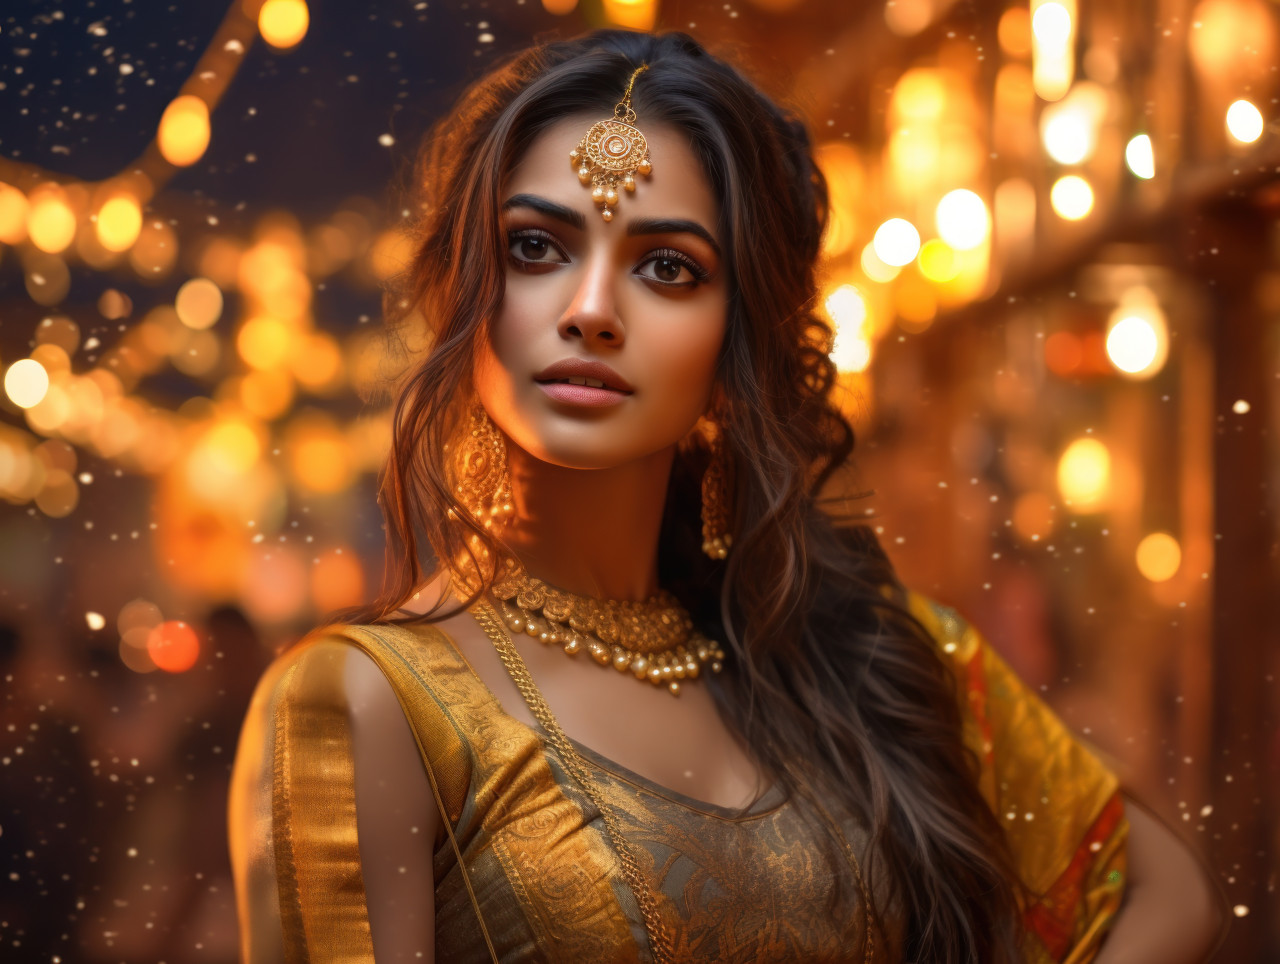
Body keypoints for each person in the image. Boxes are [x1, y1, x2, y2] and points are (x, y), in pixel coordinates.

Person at [228, 29, 1227, 964]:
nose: (588, 311)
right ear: (463, 291)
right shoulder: (367, 702)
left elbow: (1164, 888)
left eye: (667, 268)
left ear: (733, 347)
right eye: (537, 247)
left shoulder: (852, 662)